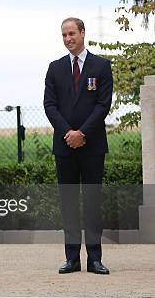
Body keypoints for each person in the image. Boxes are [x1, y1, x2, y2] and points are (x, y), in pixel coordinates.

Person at [43, 17, 113, 275]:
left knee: (92, 203)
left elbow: (102, 105)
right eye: (64, 35)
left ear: (83, 33)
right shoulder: (54, 68)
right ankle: (72, 258)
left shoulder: (102, 66)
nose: (68, 38)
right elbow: (50, 105)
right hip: (64, 146)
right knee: (69, 202)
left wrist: (82, 133)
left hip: (92, 145)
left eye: (72, 33)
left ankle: (95, 259)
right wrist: (68, 133)